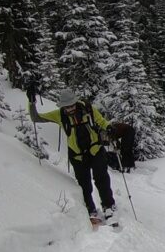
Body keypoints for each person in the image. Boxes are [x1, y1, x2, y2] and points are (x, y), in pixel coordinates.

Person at [28, 86, 117, 222]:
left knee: (101, 177)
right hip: (77, 155)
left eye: (71, 106)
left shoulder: (88, 108)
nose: (69, 109)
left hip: (95, 149)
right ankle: (90, 209)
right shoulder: (59, 114)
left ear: (75, 102)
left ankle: (108, 206)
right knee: (84, 184)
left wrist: (109, 128)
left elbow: (101, 121)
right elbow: (36, 118)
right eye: (66, 107)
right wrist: (31, 102)